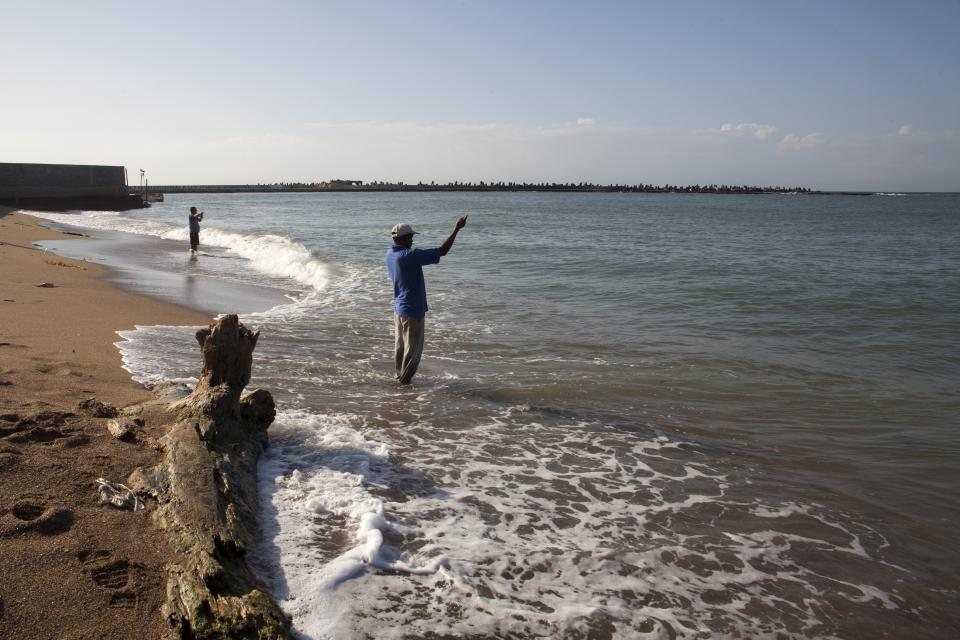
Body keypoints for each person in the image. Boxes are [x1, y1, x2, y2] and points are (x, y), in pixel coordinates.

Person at [386, 216, 468, 384]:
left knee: (400, 348)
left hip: (399, 309)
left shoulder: (390, 255)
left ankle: (398, 377)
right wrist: (456, 229)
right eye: (410, 237)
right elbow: (442, 251)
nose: (412, 239)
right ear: (402, 238)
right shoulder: (411, 255)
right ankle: (404, 383)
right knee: (413, 352)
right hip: (413, 310)